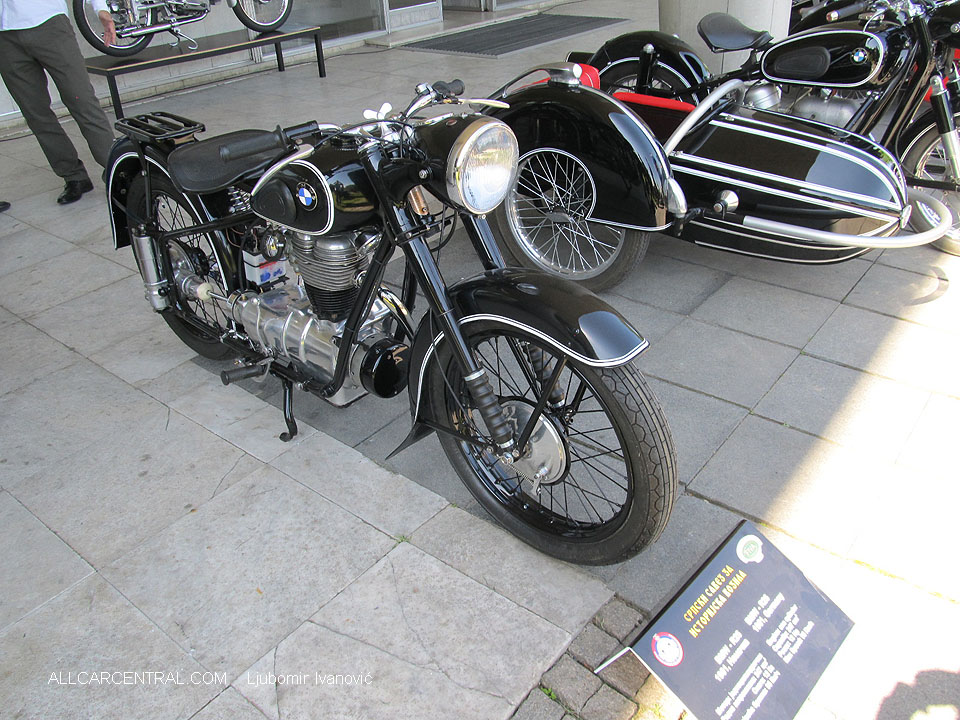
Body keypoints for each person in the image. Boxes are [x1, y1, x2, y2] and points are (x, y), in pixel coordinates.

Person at [0, 1, 117, 205]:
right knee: (35, 113)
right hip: (5, 35)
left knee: (81, 100)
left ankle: (116, 170)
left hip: (48, 22)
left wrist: (101, 9)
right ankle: (74, 176)